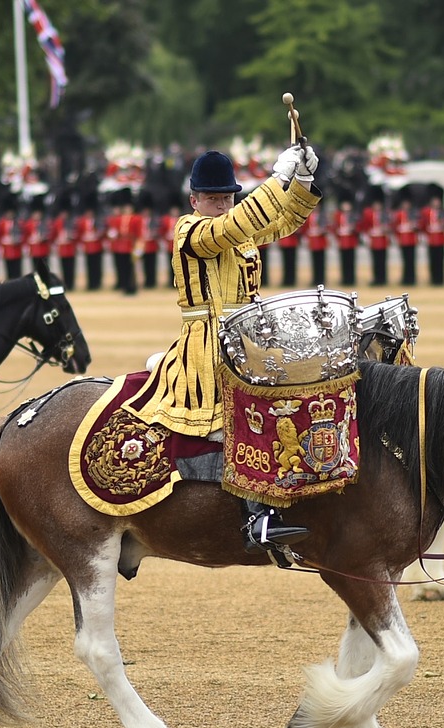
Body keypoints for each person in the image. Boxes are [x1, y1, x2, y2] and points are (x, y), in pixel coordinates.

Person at [122, 146, 321, 554]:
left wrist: (300, 182)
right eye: (213, 199)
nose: (220, 205)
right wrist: (275, 178)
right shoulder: (190, 230)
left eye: (227, 198)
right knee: (250, 413)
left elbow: (282, 220)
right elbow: (231, 227)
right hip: (208, 346)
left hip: (248, 341)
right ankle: (258, 517)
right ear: (194, 200)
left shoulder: (236, 224)